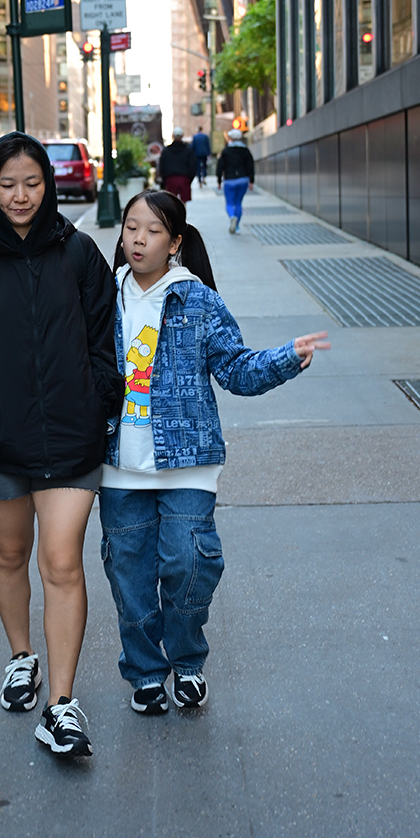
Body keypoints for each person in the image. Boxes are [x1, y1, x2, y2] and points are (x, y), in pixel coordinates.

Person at [100, 190, 329, 714]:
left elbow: (236, 369)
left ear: (175, 242)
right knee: (130, 580)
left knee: (190, 566)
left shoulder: (198, 300)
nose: (138, 239)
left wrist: (287, 358)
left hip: (188, 464)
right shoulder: (102, 296)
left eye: (153, 230)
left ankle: (186, 660)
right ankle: (145, 671)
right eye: (131, 227)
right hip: (119, 466)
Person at [0, 132, 120, 759]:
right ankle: (21, 657)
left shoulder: (79, 253)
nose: (20, 196)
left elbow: (105, 339)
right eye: (8, 184)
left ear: (48, 185)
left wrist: (96, 401)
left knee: (61, 561)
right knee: (10, 553)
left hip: (71, 437)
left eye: (32, 183)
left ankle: (61, 704)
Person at [216, 127, 255, 232]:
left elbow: (220, 166)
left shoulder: (226, 151)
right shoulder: (245, 151)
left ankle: (232, 216)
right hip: (243, 179)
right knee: (238, 203)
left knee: (229, 203)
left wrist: (219, 180)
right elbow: (250, 166)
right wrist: (251, 180)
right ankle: (237, 226)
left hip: (229, 180)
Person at [157, 127, 197, 205]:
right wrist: (190, 177)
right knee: (183, 202)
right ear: (182, 136)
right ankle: (183, 212)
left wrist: (164, 179)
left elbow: (162, 166)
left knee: (172, 202)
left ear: (172, 136)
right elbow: (193, 165)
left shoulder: (166, 151)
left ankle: (174, 213)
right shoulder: (188, 150)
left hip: (170, 178)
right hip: (184, 178)